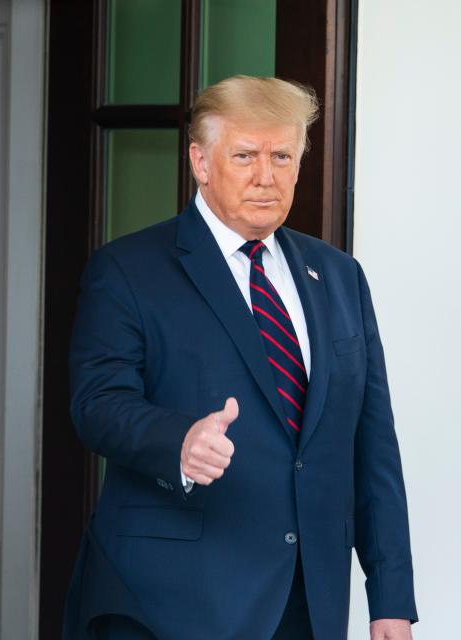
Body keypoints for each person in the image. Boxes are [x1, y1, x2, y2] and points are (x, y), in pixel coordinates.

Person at [63, 76, 417, 640]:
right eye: (245, 155)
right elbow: (96, 404)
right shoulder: (129, 269)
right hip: (169, 602)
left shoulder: (340, 277)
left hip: (307, 602)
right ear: (200, 162)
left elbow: (373, 448)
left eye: (282, 155)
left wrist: (391, 600)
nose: (265, 176)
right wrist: (176, 439)